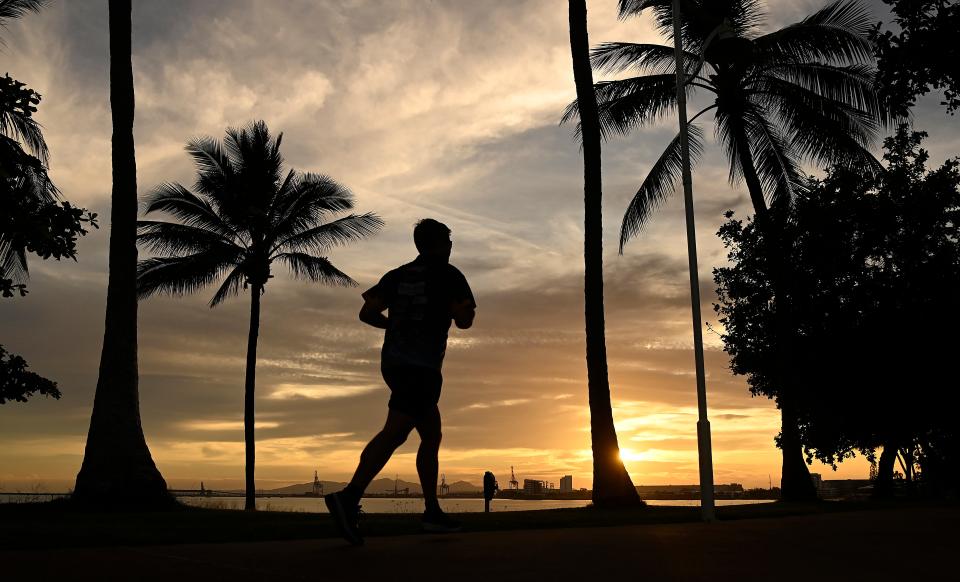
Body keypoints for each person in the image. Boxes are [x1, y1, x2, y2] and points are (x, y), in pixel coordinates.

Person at [325, 218, 476, 545]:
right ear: (442, 244)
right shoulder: (449, 276)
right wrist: (454, 310)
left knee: (431, 433)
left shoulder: (397, 275)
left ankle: (432, 512)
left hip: (393, 363)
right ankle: (348, 497)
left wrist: (394, 328)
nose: (450, 248)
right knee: (395, 432)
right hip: (421, 368)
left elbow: (367, 312)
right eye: (448, 243)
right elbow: (465, 320)